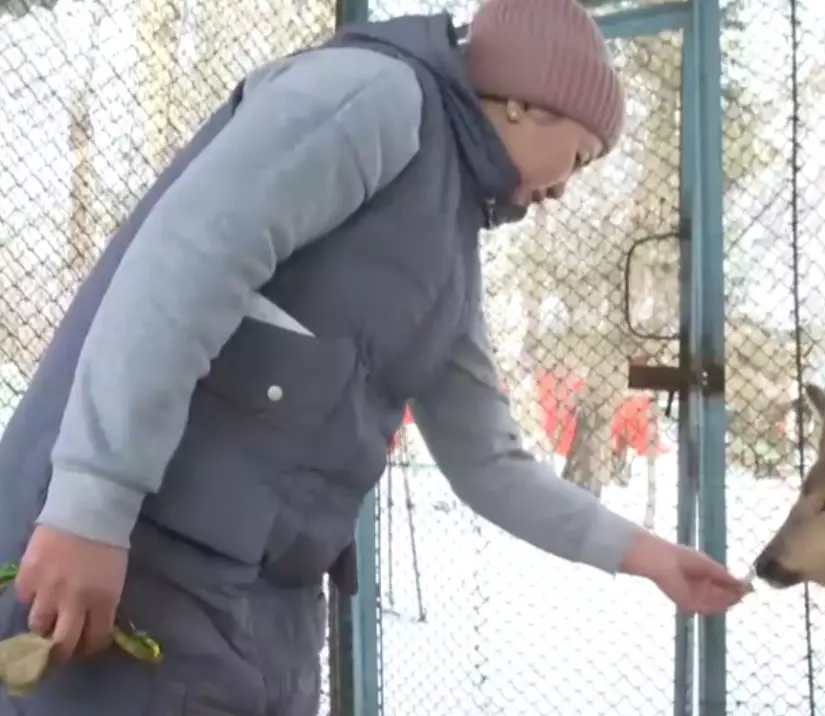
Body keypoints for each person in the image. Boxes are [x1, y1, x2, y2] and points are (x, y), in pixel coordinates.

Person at [0, 0, 750, 712]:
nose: (565, 189)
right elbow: (183, 268)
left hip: (261, 617)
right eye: (580, 157)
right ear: (530, 101)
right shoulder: (377, 98)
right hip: (137, 578)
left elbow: (490, 462)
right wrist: (89, 510)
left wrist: (645, 554)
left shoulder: (449, 254)